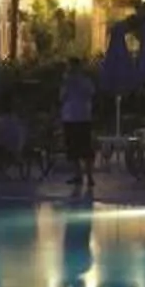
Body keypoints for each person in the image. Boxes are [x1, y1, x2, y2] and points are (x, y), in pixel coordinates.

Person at [58, 63, 99, 191]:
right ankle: (84, 176)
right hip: (80, 117)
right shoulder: (85, 82)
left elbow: (62, 97)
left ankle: (83, 175)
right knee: (79, 148)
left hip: (74, 117)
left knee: (77, 149)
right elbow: (91, 94)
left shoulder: (70, 83)